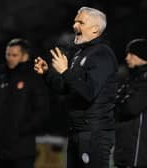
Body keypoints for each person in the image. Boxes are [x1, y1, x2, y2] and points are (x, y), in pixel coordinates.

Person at [34, 7, 118, 168]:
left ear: (95, 29)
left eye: (80, 22)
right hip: (78, 130)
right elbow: (66, 88)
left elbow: (88, 92)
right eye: (74, 21)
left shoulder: (102, 55)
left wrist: (65, 71)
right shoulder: (80, 53)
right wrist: (47, 74)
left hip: (94, 133)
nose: (74, 25)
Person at [0, 38, 49, 168]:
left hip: (22, 150)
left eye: (14, 55)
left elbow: (42, 110)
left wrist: (22, 131)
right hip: (1, 150)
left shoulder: (34, 79)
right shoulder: (2, 79)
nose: (10, 58)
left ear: (25, 56)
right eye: (8, 54)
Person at [114, 39, 147, 168]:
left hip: (139, 154)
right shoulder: (134, 78)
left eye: (131, 54)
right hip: (127, 150)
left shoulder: (144, 81)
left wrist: (118, 102)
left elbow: (131, 108)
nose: (127, 58)